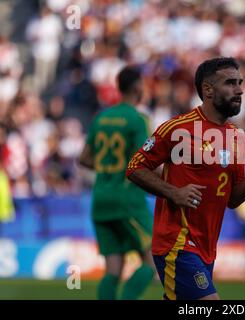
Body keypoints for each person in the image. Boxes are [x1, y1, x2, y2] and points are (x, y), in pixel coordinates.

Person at [126, 57, 245, 300]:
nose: (239, 89)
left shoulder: (237, 138)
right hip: (177, 243)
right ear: (208, 89)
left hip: (206, 248)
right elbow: (135, 167)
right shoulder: (178, 129)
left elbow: (232, 200)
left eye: (240, 83)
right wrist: (173, 192)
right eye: (230, 83)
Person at [79, 66, 155, 300]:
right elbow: (144, 160)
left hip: (100, 198)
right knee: (154, 258)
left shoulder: (101, 117)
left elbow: (83, 159)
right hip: (127, 199)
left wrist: (107, 169)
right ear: (136, 87)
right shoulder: (137, 119)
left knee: (113, 269)